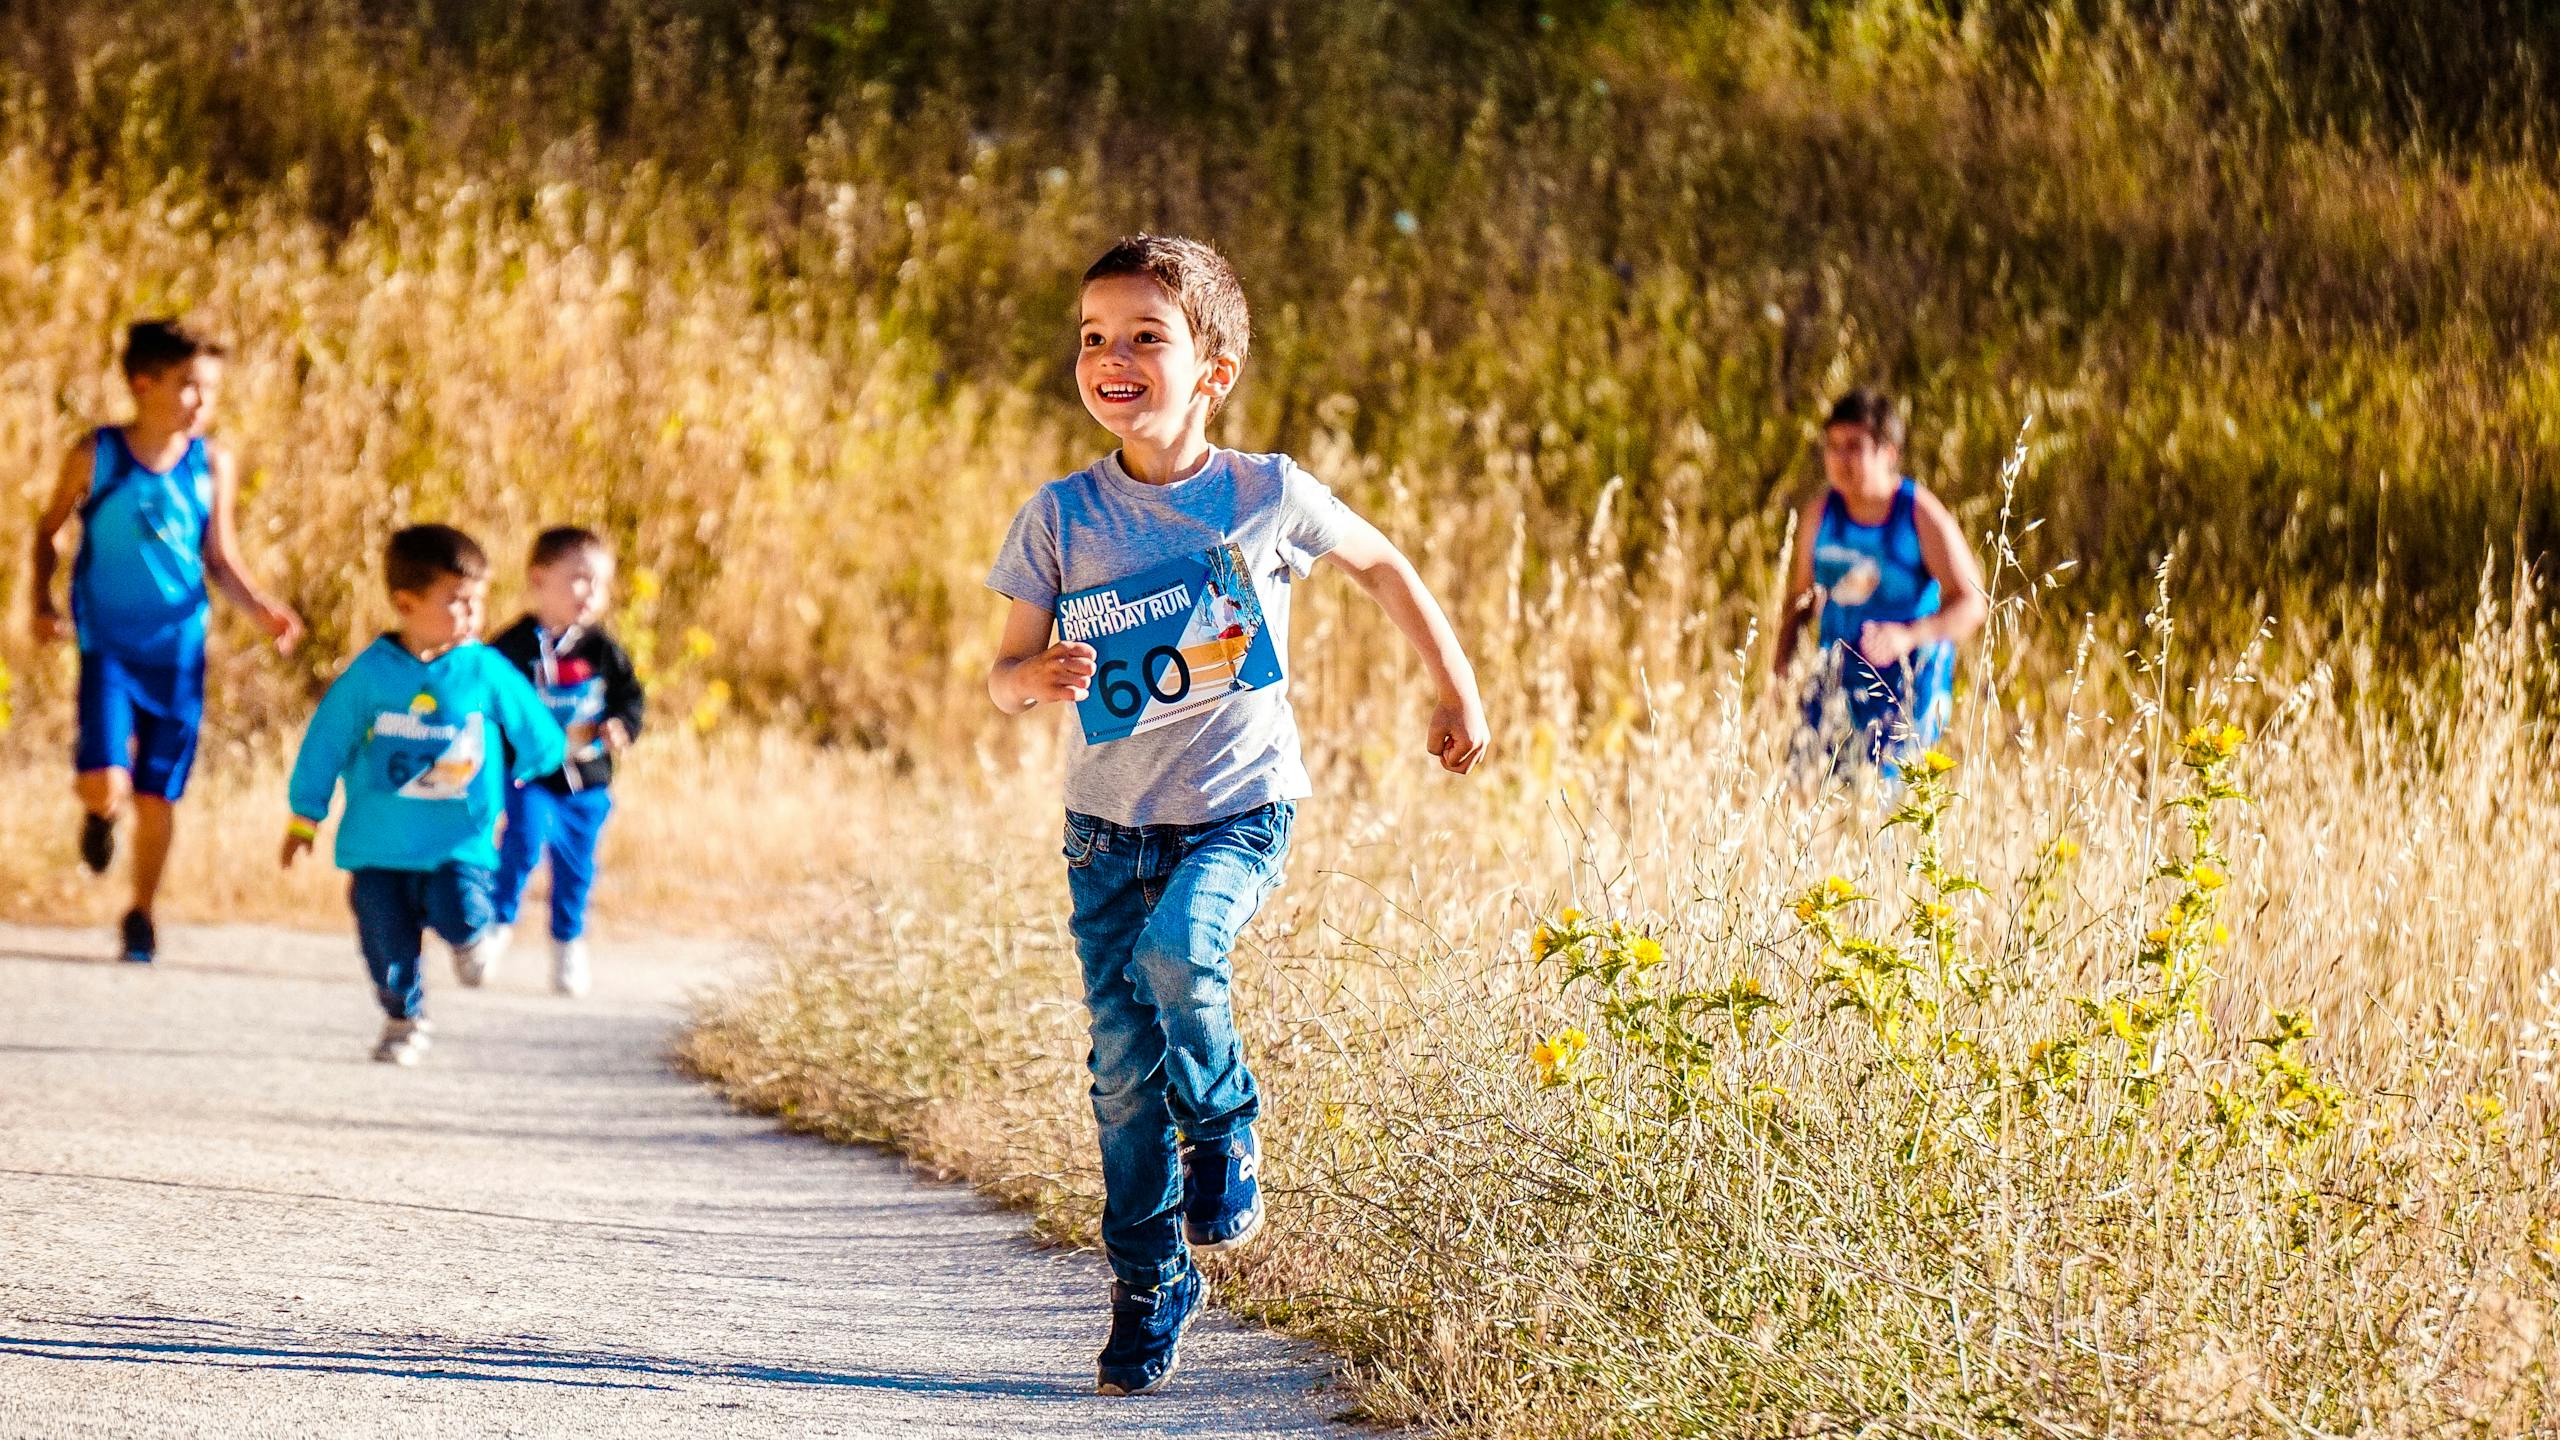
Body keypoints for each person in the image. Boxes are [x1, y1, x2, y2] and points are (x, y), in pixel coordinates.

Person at [985, 234, 1489, 1396]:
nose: (1111, 357)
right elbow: (1003, 672)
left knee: (1182, 954)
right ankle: (1150, 1279)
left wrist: (1454, 683)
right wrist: (1037, 680)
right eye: (1093, 337)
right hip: (1106, 833)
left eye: (1144, 338)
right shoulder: (1058, 517)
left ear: (1210, 370)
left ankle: (1224, 1124)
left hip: (1238, 812)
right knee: (1118, 1072)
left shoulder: (1263, 492)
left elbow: (1381, 566)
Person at [27, 319, 303, 963]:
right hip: (108, 648)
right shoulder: (98, 454)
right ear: (142, 384)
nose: (202, 401)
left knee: (159, 792)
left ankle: (141, 913)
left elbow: (219, 555)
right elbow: (48, 532)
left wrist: (261, 607)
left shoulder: (212, 463)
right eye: (188, 386)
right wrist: (40, 601)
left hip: (178, 653)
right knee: (104, 782)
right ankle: (97, 817)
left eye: (209, 389)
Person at [280, 525, 566, 1066]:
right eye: (457, 602)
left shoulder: (483, 667)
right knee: (385, 944)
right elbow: (325, 745)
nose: (473, 615)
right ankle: (403, 1020)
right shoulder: (369, 676)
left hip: (458, 841)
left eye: (478, 601)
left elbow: (534, 727)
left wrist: (537, 763)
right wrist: (304, 818)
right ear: (405, 603)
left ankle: (473, 937)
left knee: (459, 911)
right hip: (378, 847)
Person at [1774, 388, 1987, 777]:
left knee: (1881, 811)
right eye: (1832, 446)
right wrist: (1780, 671)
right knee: (1803, 789)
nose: (1840, 459)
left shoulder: (1919, 514)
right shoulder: (1821, 515)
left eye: (1854, 446)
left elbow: (1972, 605)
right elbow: (1800, 600)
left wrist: (1908, 635)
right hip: (1836, 679)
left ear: (1888, 453)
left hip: (1908, 689)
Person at [486, 526, 645, 998]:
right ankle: (495, 928)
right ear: (539, 579)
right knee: (523, 842)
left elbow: (629, 697)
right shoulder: (511, 646)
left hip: (586, 778)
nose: (591, 593)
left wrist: (622, 724)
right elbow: (487, 701)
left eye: (599, 583)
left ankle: (567, 943)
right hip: (529, 775)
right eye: (579, 579)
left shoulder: (601, 648)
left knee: (577, 866)